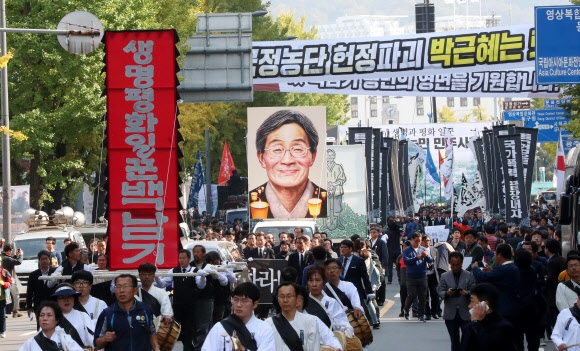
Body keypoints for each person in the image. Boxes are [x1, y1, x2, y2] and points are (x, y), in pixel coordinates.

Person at [251, 109, 327, 219]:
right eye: (277, 149)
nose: (287, 160)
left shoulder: (330, 202)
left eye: (297, 149)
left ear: (313, 156)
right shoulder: (249, 202)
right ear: (261, 158)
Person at [156, 248, 213, 351]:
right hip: (178, 308)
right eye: (180, 258)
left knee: (189, 334)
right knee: (176, 334)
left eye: (183, 258)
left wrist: (203, 276)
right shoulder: (174, 271)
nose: (181, 260)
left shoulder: (195, 271)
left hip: (191, 309)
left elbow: (201, 286)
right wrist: (156, 275)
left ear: (188, 259)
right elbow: (162, 284)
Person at [201, 282, 275, 350]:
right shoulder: (220, 327)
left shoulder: (264, 329)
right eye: (236, 299)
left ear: (255, 304)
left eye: (244, 300)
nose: (238, 305)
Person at [95, 274, 159, 351]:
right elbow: (97, 344)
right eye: (118, 287)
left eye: (126, 286)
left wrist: (156, 348)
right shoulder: (107, 313)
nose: (121, 290)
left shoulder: (146, 309)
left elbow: (152, 332)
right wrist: (105, 339)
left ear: (135, 290)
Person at [460, 283, 516, 351]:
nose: (469, 306)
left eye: (472, 301)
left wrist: (475, 323)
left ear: (484, 304)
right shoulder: (469, 327)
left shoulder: (503, 327)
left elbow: (487, 345)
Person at [266, 282, 320, 350]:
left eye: (289, 296)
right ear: (278, 299)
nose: (285, 300)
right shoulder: (269, 323)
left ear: (297, 298)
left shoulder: (310, 322)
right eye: (282, 297)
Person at [438, 251, 476, 351]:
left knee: (467, 340)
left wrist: (467, 293)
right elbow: (440, 291)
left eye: (457, 265)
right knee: (454, 340)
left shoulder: (469, 275)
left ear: (461, 263)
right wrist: (446, 293)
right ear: (449, 264)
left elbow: (474, 291)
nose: (455, 267)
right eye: (453, 265)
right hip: (450, 313)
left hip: (466, 313)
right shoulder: (444, 276)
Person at [18, 300, 83, 351]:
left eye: (49, 315)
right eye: (42, 315)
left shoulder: (65, 339)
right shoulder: (31, 343)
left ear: (57, 319)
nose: (45, 318)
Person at [305, 265, 352, 332]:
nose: (314, 284)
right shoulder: (303, 303)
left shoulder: (332, 302)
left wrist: (346, 330)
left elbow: (342, 323)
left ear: (324, 282)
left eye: (318, 280)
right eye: (311, 280)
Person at [52, 283, 95, 349]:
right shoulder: (50, 318)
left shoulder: (83, 316)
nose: (66, 300)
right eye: (62, 297)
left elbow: (92, 339)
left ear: (74, 298)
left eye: (69, 296)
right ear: (56, 300)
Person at [403, 232, 433, 322]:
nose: (418, 243)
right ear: (412, 240)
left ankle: (421, 315)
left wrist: (427, 256)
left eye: (419, 241)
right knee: (412, 295)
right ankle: (406, 309)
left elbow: (431, 260)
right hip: (411, 277)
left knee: (423, 296)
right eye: (416, 241)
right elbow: (406, 261)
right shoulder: (407, 250)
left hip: (422, 276)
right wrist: (417, 257)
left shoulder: (424, 249)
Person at [26, 250, 56, 328]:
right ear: (39, 260)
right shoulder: (33, 275)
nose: (44, 261)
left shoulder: (55, 273)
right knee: (40, 325)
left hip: (52, 303)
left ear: (49, 260)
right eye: (42, 259)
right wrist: (29, 307)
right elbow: (29, 292)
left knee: (53, 325)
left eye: (46, 259)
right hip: (39, 304)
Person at [2, 243, 23, 317]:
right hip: (8, 280)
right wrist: (21, 255)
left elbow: (12, 260)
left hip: (7, 279)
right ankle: (11, 311)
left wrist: (16, 256)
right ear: (9, 251)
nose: (11, 252)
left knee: (11, 296)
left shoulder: (4, 257)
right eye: (11, 250)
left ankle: (14, 311)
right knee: (12, 295)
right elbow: (18, 262)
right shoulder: (6, 258)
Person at [0, 256, 13, 338]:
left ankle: (2, 331)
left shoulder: (4, 272)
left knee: (2, 315)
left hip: (2, 297)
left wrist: (4, 283)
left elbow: (10, 281)